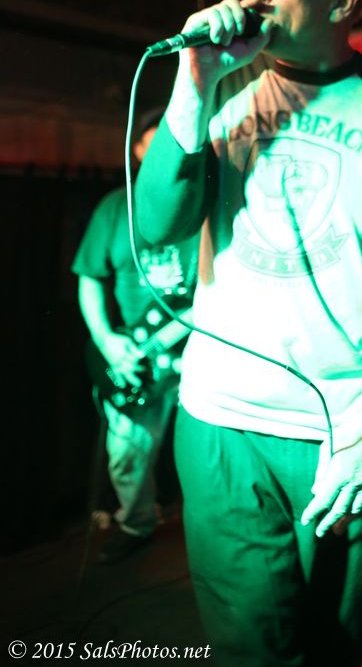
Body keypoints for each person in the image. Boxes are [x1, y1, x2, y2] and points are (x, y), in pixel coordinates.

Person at [135, 0, 362, 665]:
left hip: (336, 429)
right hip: (221, 422)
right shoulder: (223, 88)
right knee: (251, 648)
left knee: (332, 642)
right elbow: (157, 225)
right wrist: (193, 79)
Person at [72, 109, 199, 564]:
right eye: (154, 138)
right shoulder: (115, 207)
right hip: (138, 356)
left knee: (206, 451)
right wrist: (107, 339)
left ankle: (208, 535)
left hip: (200, 353)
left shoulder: (205, 201)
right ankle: (136, 522)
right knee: (126, 454)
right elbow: (90, 277)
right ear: (139, 149)